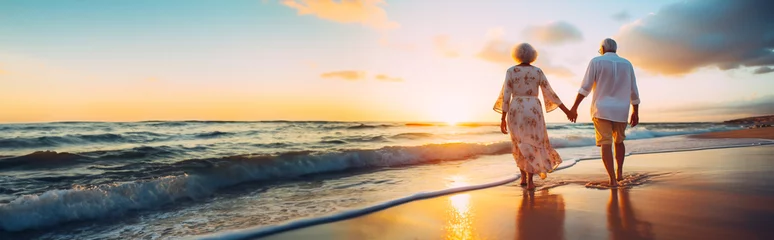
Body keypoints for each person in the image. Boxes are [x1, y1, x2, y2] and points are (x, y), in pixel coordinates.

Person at [494, 43, 576, 190]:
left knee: (519, 143)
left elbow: (506, 95)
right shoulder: (537, 72)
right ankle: (531, 180)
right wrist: (567, 111)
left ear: (517, 54)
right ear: (533, 55)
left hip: (516, 108)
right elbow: (550, 93)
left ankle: (523, 178)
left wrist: (502, 118)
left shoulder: (511, 71)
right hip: (533, 109)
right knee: (532, 143)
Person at [569, 38, 641, 187]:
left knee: (605, 144)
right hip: (621, 110)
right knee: (619, 141)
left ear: (602, 48)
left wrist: (574, 107)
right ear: (615, 49)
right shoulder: (627, 64)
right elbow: (634, 89)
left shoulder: (596, 61)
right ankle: (619, 172)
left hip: (601, 109)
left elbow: (585, 87)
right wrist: (635, 111)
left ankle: (612, 179)